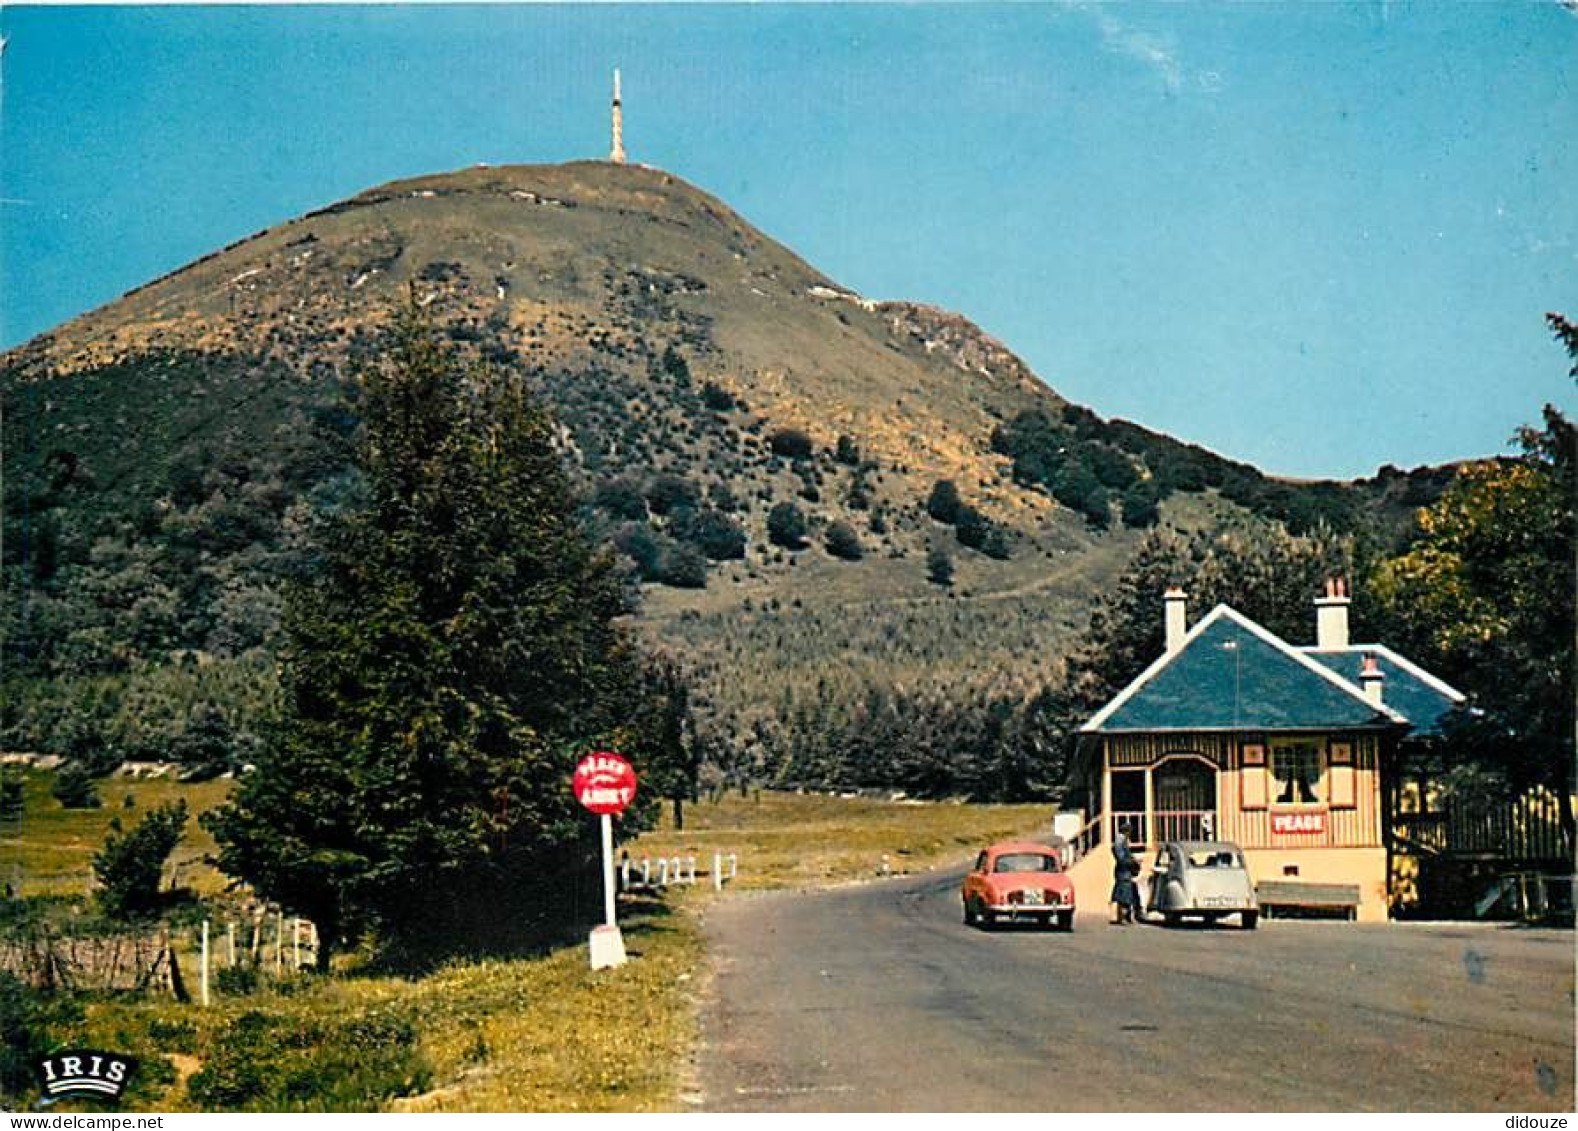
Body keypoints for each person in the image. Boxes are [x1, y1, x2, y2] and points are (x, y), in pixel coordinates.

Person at [1110, 833, 1142, 925]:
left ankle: (1127, 916)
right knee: (1124, 897)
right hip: (1124, 875)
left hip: (1126, 875)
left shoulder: (1124, 850)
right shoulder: (1121, 850)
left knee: (1130, 895)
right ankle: (1123, 917)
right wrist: (1134, 862)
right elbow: (1123, 861)